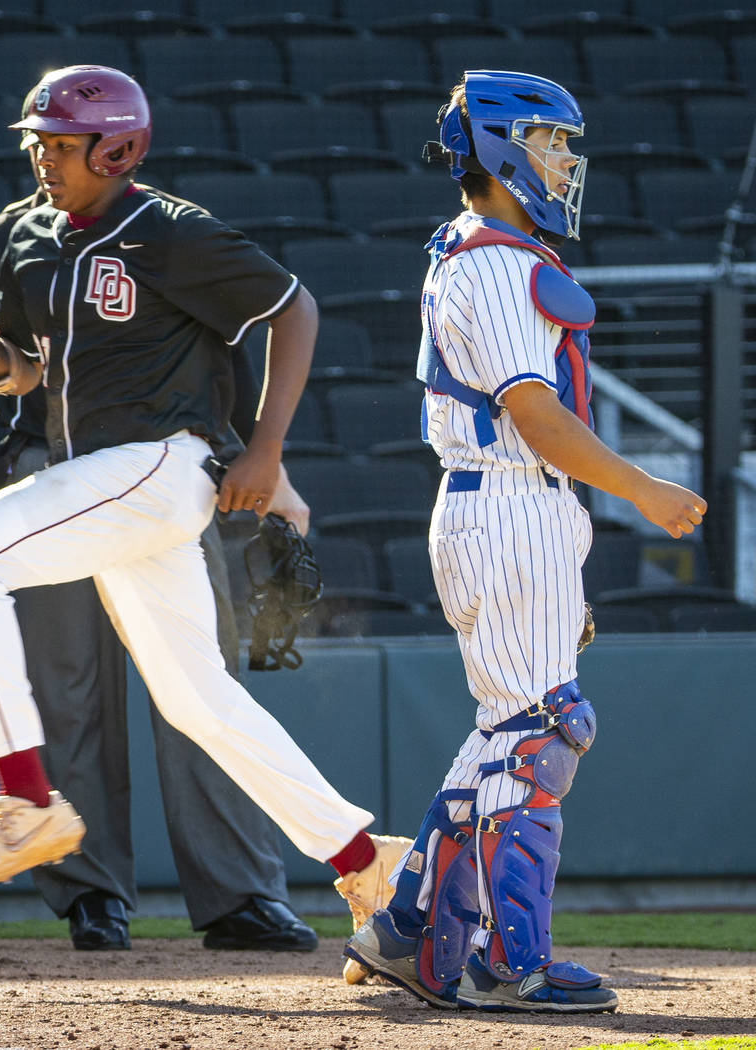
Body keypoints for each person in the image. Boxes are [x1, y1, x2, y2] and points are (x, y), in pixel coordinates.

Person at [0, 65, 405, 928]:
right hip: (103, 484)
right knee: (196, 699)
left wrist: (267, 450)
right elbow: (33, 379)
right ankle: (369, 862)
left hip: (156, 466)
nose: (45, 159)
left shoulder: (171, 230)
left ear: (121, 147)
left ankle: (27, 800)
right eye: (40, 144)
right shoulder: (34, 241)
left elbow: (295, 309)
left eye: (64, 145)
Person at [343, 70, 707, 1013]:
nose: (564, 162)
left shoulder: (479, 250)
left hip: (511, 510)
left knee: (510, 732)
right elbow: (537, 418)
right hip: (508, 501)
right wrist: (646, 492)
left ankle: (408, 929)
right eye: (550, 144)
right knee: (543, 732)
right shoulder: (498, 261)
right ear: (502, 150)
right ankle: (512, 963)